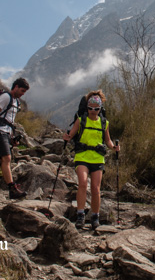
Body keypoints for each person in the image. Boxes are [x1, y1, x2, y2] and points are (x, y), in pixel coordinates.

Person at [63, 91, 120, 229]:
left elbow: (107, 140)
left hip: (98, 159)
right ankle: (80, 215)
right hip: (82, 156)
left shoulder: (104, 123)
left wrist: (114, 147)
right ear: (87, 107)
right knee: (82, 183)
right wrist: (67, 137)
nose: (93, 111)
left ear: (100, 108)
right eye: (90, 108)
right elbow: (71, 135)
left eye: (96, 108)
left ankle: (95, 217)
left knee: (96, 188)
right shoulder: (81, 120)